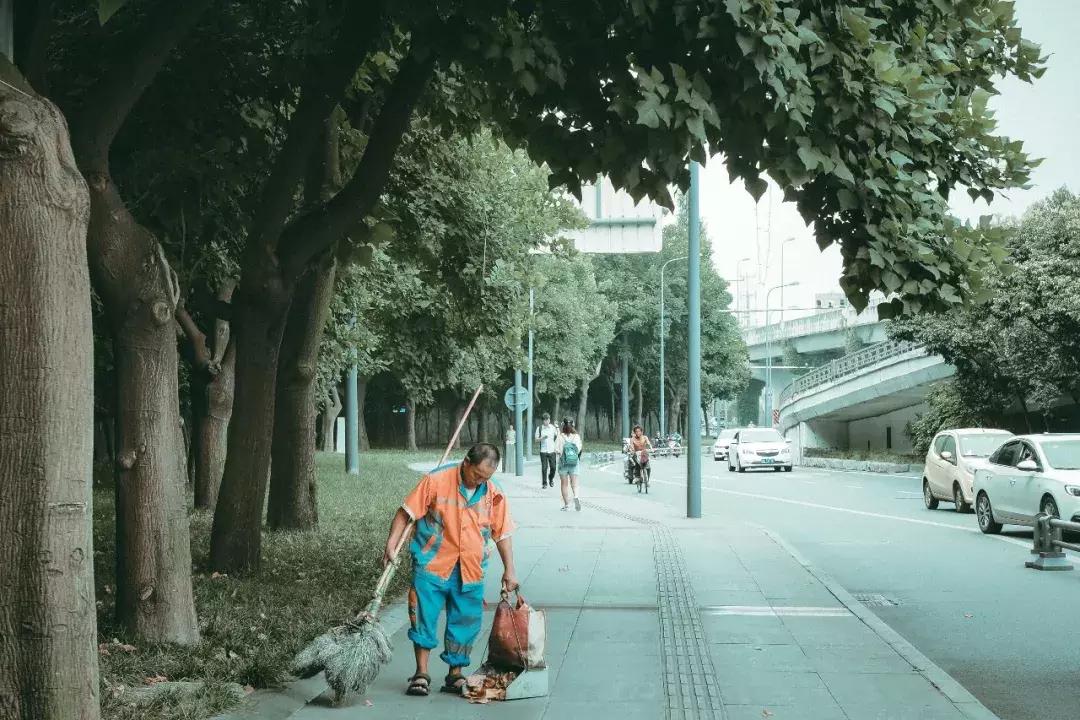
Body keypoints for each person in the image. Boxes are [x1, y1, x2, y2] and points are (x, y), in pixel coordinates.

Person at [382, 443, 518, 697]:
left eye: (486, 478)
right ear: (466, 462)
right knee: (424, 617)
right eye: (477, 475)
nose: (480, 481)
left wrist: (509, 570)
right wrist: (391, 545)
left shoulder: (493, 492)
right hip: (432, 563)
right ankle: (421, 674)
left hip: (471, 568)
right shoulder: (437, 480)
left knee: (466, 621)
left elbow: (503, 533)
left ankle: (455, 675)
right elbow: (405, 513)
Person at [554, 417, 583, 511]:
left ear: (563, 425)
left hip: (563, 463)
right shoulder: (576, 436)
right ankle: (576, 496)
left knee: (564, 484)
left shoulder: (560, 436)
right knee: (574, 483)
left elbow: (557, 450)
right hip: (574, 462)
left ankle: (567, 505)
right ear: (573, 425)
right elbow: (578, 449)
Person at [535, 412, 558, 489]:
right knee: (544, 468)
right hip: (543, 451)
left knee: (553, 467)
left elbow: (558, 435)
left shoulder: (552, 427)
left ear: (549, 420)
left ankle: (550, 478)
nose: (547, 422)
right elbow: (536, 440)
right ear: (543, 421)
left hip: (552, 450)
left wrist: (557, 427)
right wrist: (542, 438)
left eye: (548, 420)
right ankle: (544, 483)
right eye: (545, 420)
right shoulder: (539, 428)